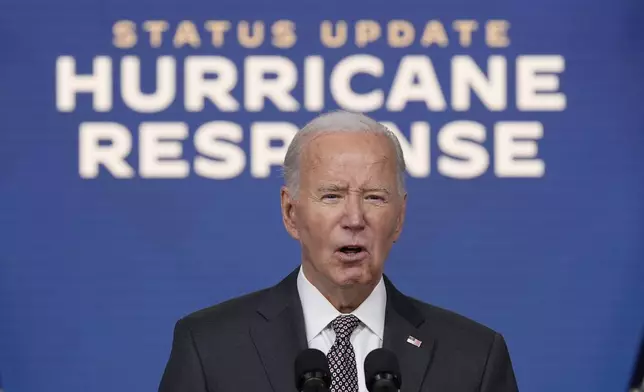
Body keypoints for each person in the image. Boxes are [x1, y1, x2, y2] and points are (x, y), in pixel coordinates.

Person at [158, 110, 519, 392]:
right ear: (291, 213)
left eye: (374, 197)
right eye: (331, 195)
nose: (354, 218)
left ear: (399, 218)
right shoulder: (210, 347)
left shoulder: (474, 357)